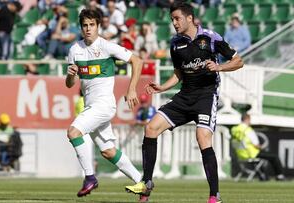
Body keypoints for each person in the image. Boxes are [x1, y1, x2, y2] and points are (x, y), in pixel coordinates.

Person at [125, 2, 243, 203]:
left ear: (190, 18)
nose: (174, 23)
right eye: (172, 19)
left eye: (177, 18)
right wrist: (163, 87)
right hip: (184, 96)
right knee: (151, 128)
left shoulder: (210, 38)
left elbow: (238, 61)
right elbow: (179, 73)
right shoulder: (175, 43)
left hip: (206, 95)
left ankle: (215, 195)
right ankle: (146, 184)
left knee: (202, 137)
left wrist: (219, 67)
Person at [65, 8, 143, 197]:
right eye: (85, 25)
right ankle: (142, 183)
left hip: (104, 104)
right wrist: (70, 76)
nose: (88, 29)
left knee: (73, 132)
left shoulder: (107, 46)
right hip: (91, 105)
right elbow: (69, 85)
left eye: (92, 25)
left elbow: (137, 61)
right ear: (81, 28)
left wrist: (131, 88)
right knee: (108, 151)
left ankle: (90, 177)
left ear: (99, 26)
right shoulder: (75, 50)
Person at [231, 113, 286, 181]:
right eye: (250, 120)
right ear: (247, 119)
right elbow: (256, 145)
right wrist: (261, 147)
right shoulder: (248, 130)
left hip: (240, 155)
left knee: (263, 158)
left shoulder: (234, 129)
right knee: (274, 157)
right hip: (252, 154)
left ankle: (263, 176)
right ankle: (279, 176)